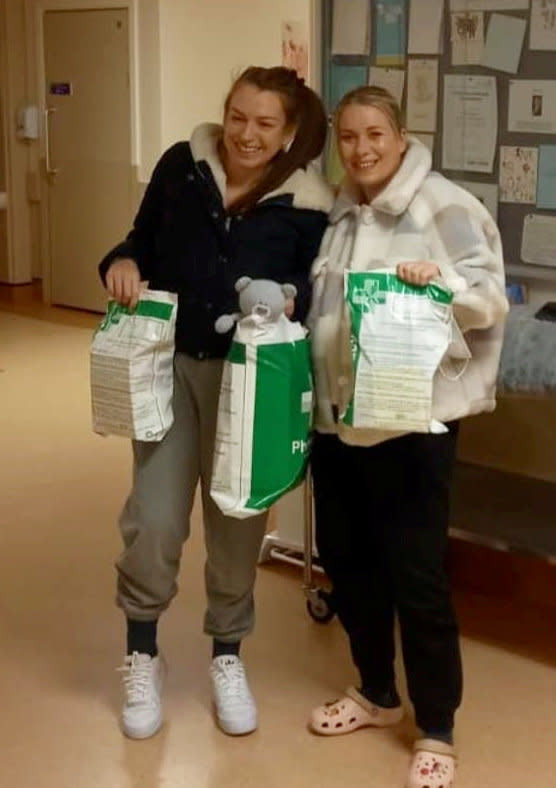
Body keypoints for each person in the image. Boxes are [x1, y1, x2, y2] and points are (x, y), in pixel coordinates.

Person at [98, 66, 333, 740]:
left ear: (288, 132)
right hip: (171, 368)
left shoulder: (309, 204)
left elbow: (311, 289)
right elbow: (138, 239)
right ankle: (142, 653)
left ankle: (227, 657)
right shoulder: (182, 165)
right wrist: (121, 261)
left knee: (237, 527)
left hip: (250, 380)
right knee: (155, 520)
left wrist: (287, 296)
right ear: (223, 113)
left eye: (265, 123)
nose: (246, 134)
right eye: (238, 116)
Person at [306, 86, 508, 788]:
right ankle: (376, 694)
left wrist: (439, 282)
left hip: (411, 424)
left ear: (400, 135)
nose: (361, 149)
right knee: (349, 560)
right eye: (349, 136)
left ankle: (438, 728)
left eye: (375, 135)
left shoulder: (443, 203)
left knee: (416, 575)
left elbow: (489, 297)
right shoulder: (341, 210)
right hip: (338, 420)